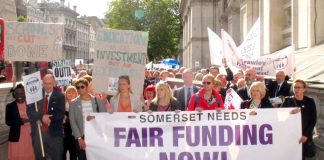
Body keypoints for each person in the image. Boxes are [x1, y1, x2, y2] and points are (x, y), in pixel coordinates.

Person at [27, 74, 65, 160]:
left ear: (54, 83)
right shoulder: (35, 95)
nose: (47, 86)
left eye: (50, 83)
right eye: (45, 83)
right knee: (39, 157)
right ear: (42, 83)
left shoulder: (60, 96)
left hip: (55, 135)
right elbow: (29, 111)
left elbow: (60, 113)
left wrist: (48, 119)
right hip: (38, 134)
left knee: (56, 157)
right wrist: (40, 117)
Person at [69, 78, 107, 160]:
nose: (80, 89)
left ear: (87, 87)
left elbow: (104, 117)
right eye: (78, 87)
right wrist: (79, 138)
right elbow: (72, 122)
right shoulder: (73, 103)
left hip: (96, 136)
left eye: (82, 87)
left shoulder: (98, 101)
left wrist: (95, 117)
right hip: (81, 137)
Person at [281, 79, 317, 160]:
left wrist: (306, 135)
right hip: (290, 136)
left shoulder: (310, 101)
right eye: (295, 87)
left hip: (304, 136)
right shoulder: (287, 100)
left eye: (299, 87)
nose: (296, 89)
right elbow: (280, 116)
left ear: (304, 89)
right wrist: (289, 113)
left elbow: (313, 120)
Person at [6, 84, 35, 160]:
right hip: (16, 137)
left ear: (25, 93)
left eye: (22, 93)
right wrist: (22, 121)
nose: (20, 95)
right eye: (17, 94)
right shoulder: (10, 106)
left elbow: (36, 117)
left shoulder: (31, 105)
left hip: (30, 136)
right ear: (14, 94)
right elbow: (8, 121)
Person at [63, 86, 78, 160]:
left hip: (74, 135)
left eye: (73, 92)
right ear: (65, 94)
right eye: (68, 92)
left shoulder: (78, 106)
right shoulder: (62, 107)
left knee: (73, 155)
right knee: (62, 154)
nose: (71, 94)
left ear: (76, 94)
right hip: (64, 134)